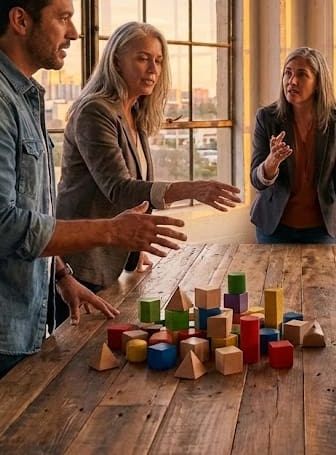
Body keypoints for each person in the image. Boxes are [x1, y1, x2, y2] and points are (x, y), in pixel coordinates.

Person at [0, 0, 187, 434]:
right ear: (21, 20)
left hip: (11, 319)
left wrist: (60, 275)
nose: (74, 32)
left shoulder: (20, 95)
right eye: (62, 17)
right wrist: (113, 229)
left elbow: (28, 208)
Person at [54, 21, 241, 324]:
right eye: (143, 58)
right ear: (116, 60)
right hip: (80, 265)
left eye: (158, 60)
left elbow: (136, 193)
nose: (153, 68)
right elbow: (119, 187)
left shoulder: (134, 112)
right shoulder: (94, 111)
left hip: (113, 262)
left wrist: (134, 250)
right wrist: (191, 189)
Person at [250, 47, 336, 245]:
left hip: (320, 229)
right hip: (274, 228)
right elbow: (256, 180)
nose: (292, 81)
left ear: (318, 83)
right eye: (288, 72)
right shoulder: (267, 118)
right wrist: (272, 162)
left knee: (321, 277)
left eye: (302, 74)